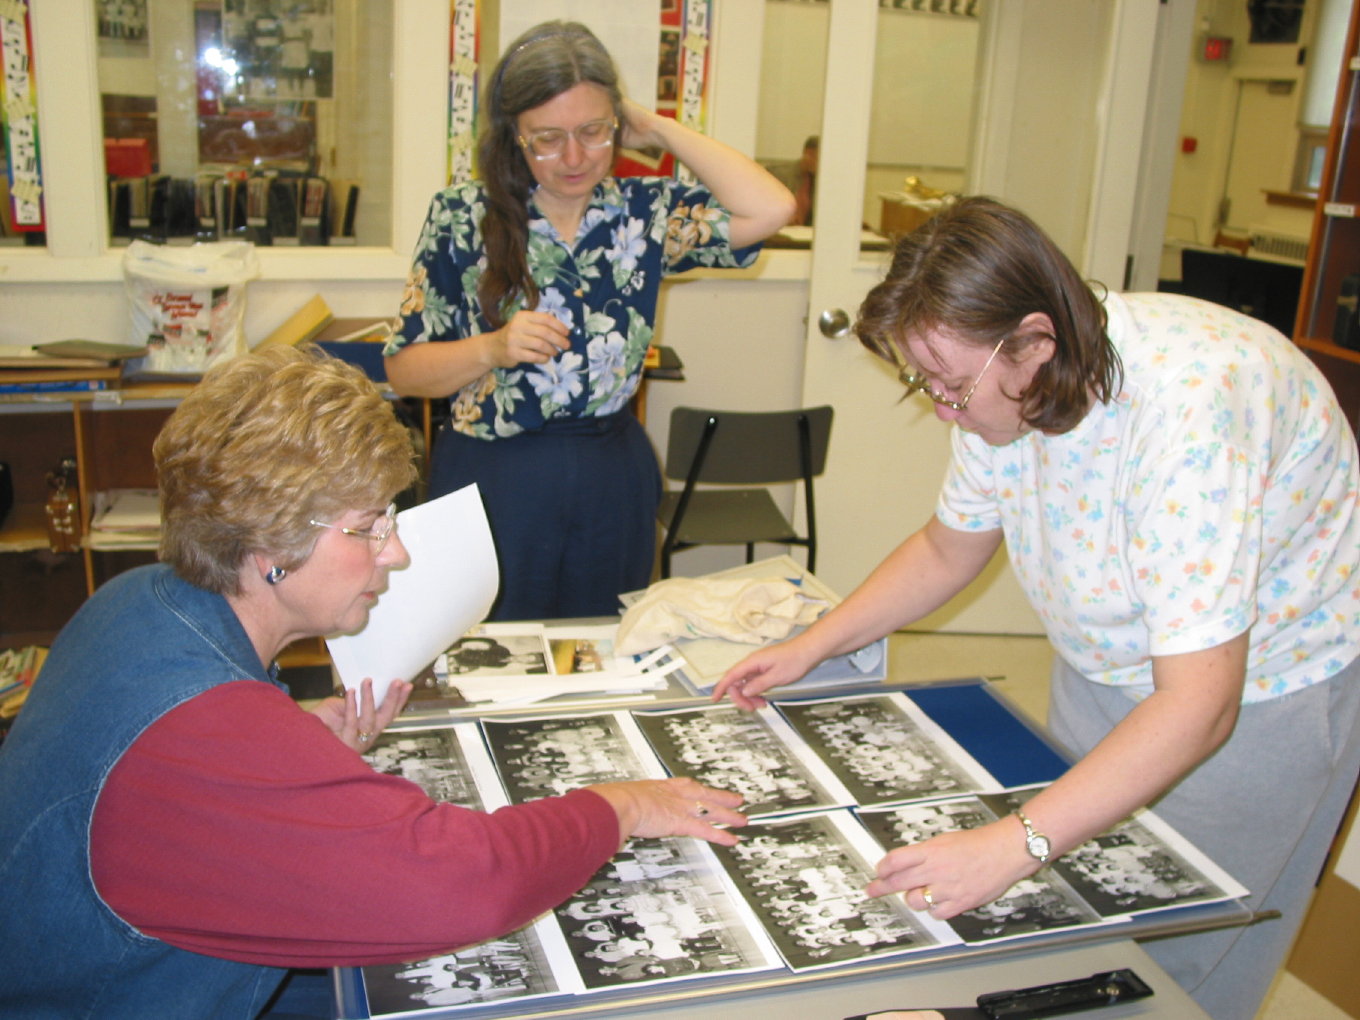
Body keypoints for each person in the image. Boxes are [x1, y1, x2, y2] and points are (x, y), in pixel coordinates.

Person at [714, 197, 1360, 1019]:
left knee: (1175, 964)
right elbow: (950, 547)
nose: (942, 409)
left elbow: (1200, 705)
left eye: (951, 386)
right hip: (1113, 663)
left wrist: (1013, 840)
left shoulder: (1189, 417)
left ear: (1035, 340)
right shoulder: (1003, 386)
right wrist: (813, 643)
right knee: (1077, 927)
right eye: (927, 384)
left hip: (1263, 692)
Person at [0, 346, 745, 1019]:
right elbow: (464, 884)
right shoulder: (207, 737)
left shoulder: (137, 599)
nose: (396, 554)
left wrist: (289, 748)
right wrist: (619, 805)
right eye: (369, 527)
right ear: (270, 545)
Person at [383, 20, 794, 621]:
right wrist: (492, 349)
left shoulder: (645, 213)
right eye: (547, 138)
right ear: (513, 137)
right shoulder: (463, 217)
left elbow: (772, 206)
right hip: (494, 476)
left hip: (611, 474)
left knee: (603, 653)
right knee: (491, 659)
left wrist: (655, 127)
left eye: (593, 131)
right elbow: (404, 371)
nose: (573, 157)